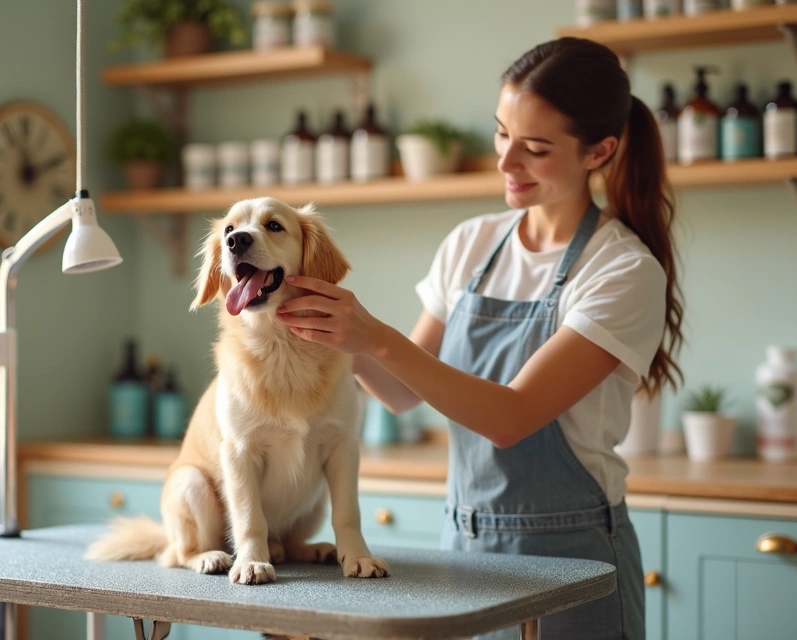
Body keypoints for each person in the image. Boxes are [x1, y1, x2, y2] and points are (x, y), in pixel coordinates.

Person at [275, 37, 683, 639]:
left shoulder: (622, 271)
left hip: (574, 561)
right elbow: (398, 391)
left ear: (600, 151)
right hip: (463, 550)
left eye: (535, 148)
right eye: (501, 134)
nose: (506, 162)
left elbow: (511, 417)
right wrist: (331, 330)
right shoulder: (471, 244)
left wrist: (376, 337)